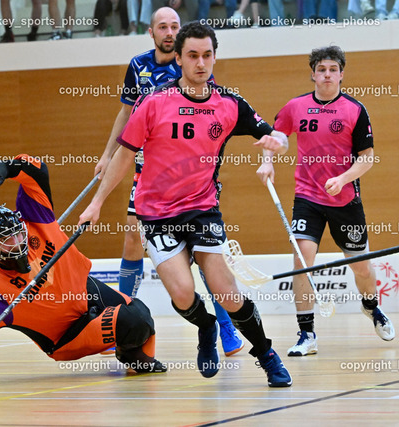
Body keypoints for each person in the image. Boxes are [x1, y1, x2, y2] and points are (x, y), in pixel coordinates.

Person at [80, 21, 293, 387]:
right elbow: (124, 155)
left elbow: (275, 134)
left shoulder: (229, 104)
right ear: (178, 58)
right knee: (181, 293)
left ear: (215, 57)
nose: (201, 63)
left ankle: (266, 354)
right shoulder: (153, 103)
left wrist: (279, 144)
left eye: (207, 55)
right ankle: (206, 326)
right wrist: (96, 202)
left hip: (202, 208)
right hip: (156, 213)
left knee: (226, 291)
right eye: (193, 55)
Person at [0, 154, 166, 374]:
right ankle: (127, 352)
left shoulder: (36, 217)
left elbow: (37, 171)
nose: (18, 243)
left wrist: (8, 168)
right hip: (68, 336)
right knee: (134, 321)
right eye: (7, 241)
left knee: (141, 313)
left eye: (18, 234)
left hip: (86, 290)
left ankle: (133, 357)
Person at [94, 7, 245, 358]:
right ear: (152, 32)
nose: (169, 32)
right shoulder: (138, 66)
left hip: (190, 176)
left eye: (175, 26)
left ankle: (225, 326)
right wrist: (107, 154)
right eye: (163, 26)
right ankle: (120, 324)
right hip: (146, 171)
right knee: (132, 238)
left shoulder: (191, 65)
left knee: (203, 251)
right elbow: (127, 113)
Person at [259, 46, 395, 357]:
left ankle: (371, 307)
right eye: (321, 69)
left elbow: (367, 158)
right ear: (313, 74)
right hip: (307, 197)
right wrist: (268, 160)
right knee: (301, 262)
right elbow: (276, 137)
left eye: (333, 69)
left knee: (361, 268)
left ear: (342, 74)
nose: (327, 75)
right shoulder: (296, 106)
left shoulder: (355, 110)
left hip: (345, 199)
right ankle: (307, 334)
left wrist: (343, 179)